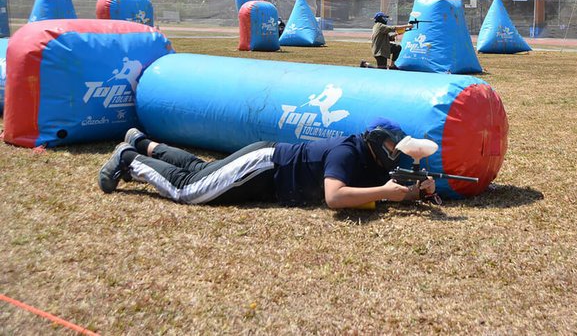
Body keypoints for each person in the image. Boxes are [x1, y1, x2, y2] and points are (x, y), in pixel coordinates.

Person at [97, 117, 436, 209]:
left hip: (267, 162)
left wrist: (415, 192)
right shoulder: (347, 152)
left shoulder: (370, 157)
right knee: (190, 190)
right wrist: (388, 192)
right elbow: (335, 197)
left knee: (200, 171)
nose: (395, 154)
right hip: (264, 166)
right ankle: (129, 159)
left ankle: (144, 143)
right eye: (392, 146)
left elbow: (389, 184)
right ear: (376, 142)